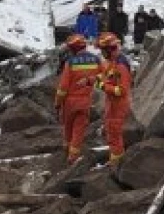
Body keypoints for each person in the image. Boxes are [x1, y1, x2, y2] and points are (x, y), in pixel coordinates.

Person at [54, 34, 102, 163]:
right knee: (79, 129)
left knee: (68, 127)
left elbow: (63, 88)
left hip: (70, 101)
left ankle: (67, 151)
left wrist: (57, 103)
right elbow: (103, 77)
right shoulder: (96, 60)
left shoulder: (71, 62)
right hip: (86, 101)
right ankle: (73, 156)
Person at [97, 32, 132, 166]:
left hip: (118, 105)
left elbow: (121, 90)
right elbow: (107, 76)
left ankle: (117, 164)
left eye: (103, 50)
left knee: (115, 135)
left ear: (109, 49)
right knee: (111, 134)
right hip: (112, 104)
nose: (102, 53)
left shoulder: (121, 65)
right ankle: (115, 161)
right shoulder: (113, 62)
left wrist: (103, 86)